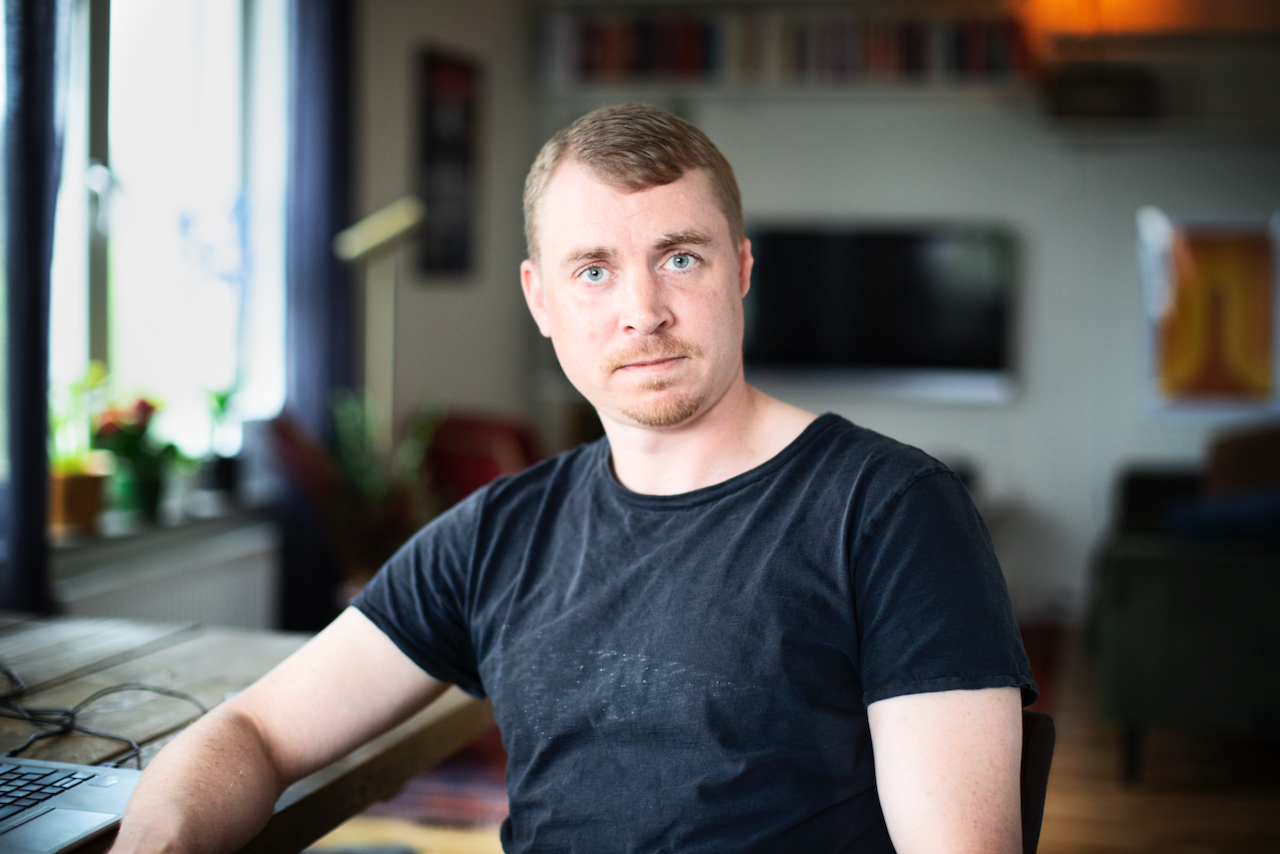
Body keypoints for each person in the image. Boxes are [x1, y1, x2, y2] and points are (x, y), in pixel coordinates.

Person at [110, 103, 1035, 854]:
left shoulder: (892, 512)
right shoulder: (500, 532)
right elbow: (255, 732)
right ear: (540, 299)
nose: (643, 311)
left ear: (742, 270)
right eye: (594, 270)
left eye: (680, 257)